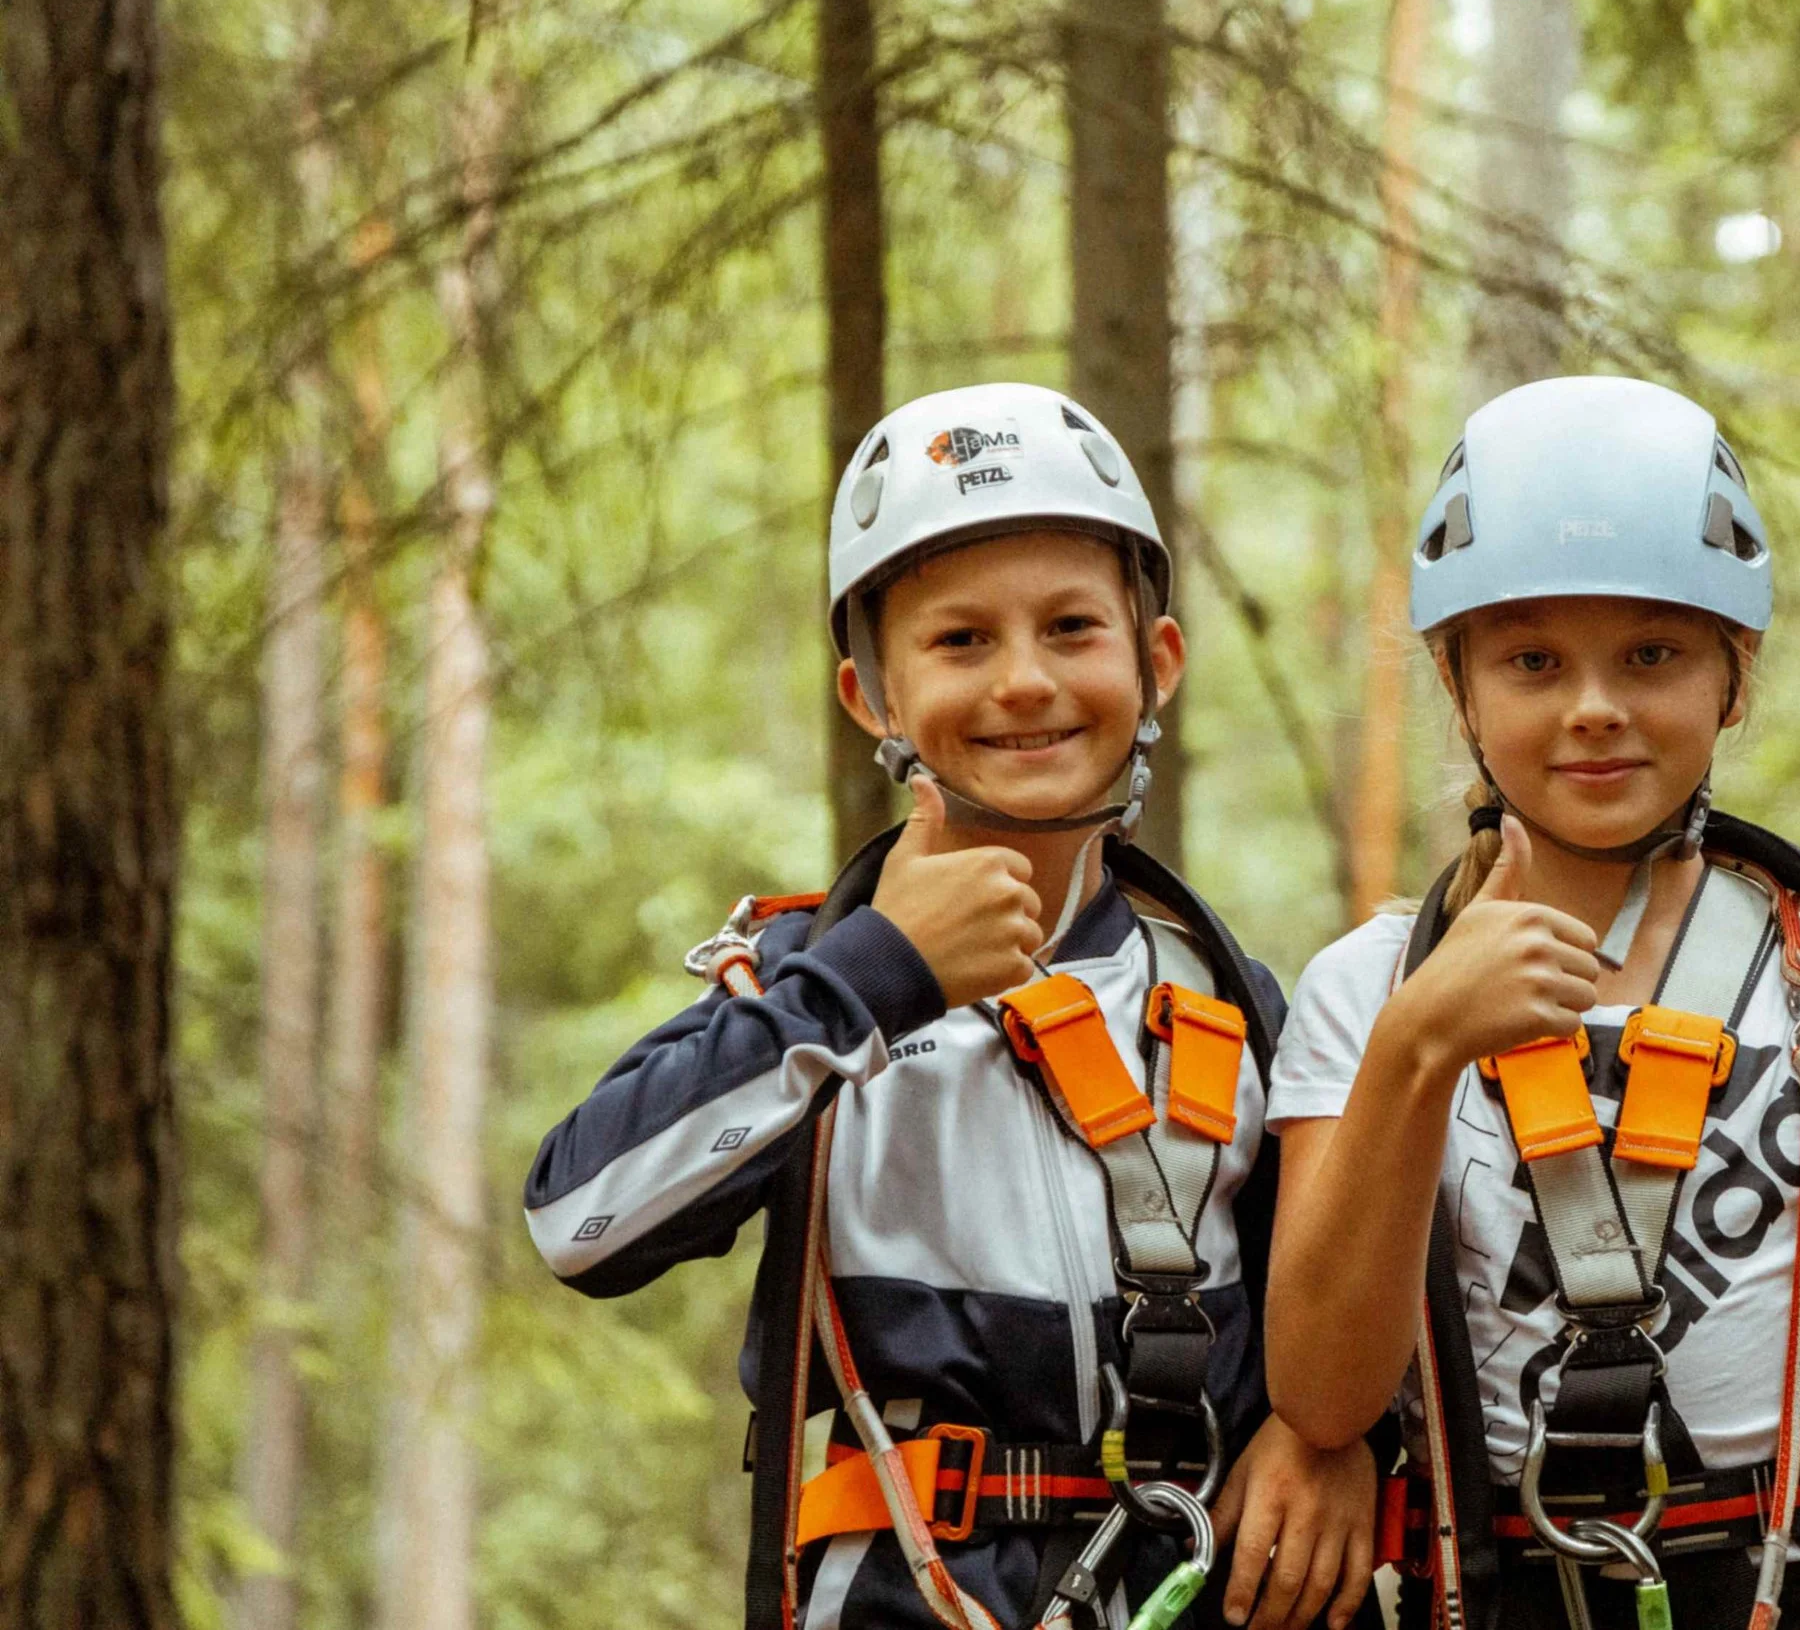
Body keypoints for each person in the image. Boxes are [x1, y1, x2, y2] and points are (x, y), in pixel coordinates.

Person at [525, 383, 1378, 1630]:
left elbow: (1335, 1300)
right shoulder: (797, 981)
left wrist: (1337, 1439)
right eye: (961, 641)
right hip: (908, 1592)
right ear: (872, 696)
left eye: (1072, 629)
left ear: (1157, 666)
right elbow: (577, 1221)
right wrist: (877, 972)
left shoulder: (1227, 997)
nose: (1024, 682)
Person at [1259, 377, 1800, 1629]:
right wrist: (1420, 1043)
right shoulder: (1370, 989)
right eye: (1533, 659)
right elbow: (1321, 1392)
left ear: (1730, 678)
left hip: (1788, 1587)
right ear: (1459, 684)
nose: (1594, 705)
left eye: (1652, 653)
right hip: (1491, 1587)